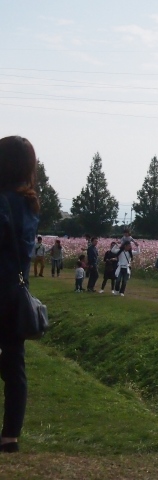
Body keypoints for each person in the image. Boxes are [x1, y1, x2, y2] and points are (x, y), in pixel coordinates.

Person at [0, 135, 40, 453]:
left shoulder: (2, 201)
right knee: (15, 364)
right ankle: (10, 436)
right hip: (17, 292)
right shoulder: (30, 204)